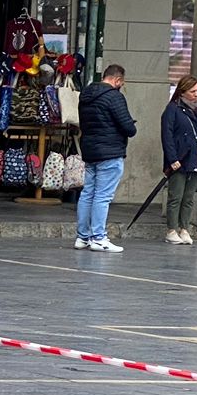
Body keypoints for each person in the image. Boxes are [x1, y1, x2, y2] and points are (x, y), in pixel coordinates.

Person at [75, 64, 135, 253]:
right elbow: (128, 127)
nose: (121, 86)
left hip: (90, 150)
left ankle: (82, 237)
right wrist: (132, 126)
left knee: (87, 194)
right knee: (102, 196)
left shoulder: (85, 95)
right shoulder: (114, 96)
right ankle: (98, 238)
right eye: (121, 83)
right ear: (117, 80)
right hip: (110, 151)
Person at [161, 75, 197, 246]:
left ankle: (184, 228)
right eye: (193, 91)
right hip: (179, 158)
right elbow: (167, 136)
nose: (196, 94)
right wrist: (172, 158)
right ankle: (171, 230)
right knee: (176, 196)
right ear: (183, 92)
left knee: (189, 196)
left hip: (195, 158)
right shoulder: (172, 109)